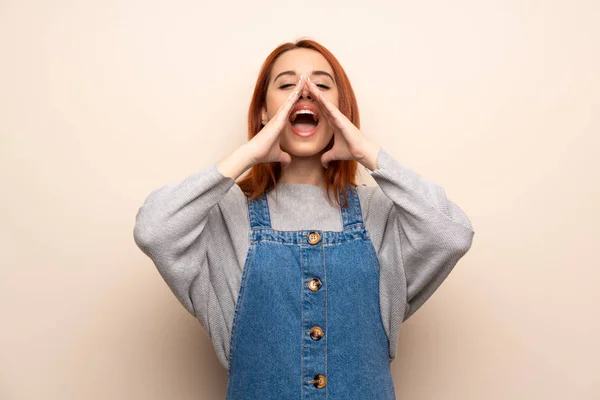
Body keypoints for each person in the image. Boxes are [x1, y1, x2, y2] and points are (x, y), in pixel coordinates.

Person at [133, 39, 475, 399]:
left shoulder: (381, 213)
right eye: (287, 84)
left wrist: (368, 153)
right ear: (263, 112)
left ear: (339, 110)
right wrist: (248, 154)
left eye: (322, 85)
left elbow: (453, 235)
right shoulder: (224, 215)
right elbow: (153, 229)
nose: (305, 92)